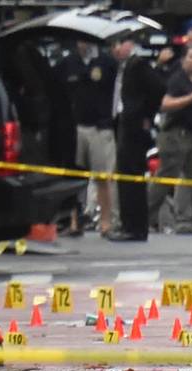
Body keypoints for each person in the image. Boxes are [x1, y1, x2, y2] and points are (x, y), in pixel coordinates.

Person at [109, 35, 168, 242]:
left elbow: (159, 88)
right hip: (123, 123)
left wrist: (146, 115)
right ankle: (128, 224)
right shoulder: (123, 67)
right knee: (124, 175)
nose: (116, 49)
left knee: (132, 175)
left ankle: (135, 227)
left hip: (134, 126)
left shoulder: (138, 65)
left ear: (130, 44)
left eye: (120, 43)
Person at [58, 40, 118, 237]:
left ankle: (106, 223)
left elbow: (117, 93)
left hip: (100, 128)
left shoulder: (107, 63)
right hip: (75, 127)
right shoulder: (68, 63)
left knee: (102, 177)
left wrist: (111, 120)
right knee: (74, 177)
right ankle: (75, 222)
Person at [148, 45, 192, 234]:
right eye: (190, 57)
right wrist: (190, 98)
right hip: (176, 135)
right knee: (165, 178)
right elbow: (165, 104)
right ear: (184, 59)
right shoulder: (177, 80)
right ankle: (145, 216)